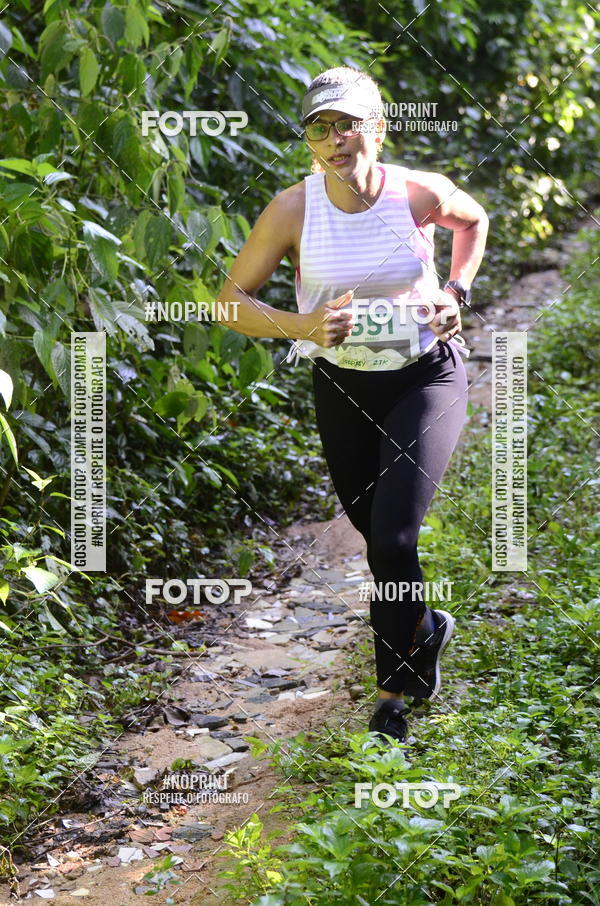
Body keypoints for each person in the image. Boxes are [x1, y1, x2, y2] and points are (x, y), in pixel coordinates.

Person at [216, 66, 488, 743]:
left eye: (348, 124)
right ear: (309, 141)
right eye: (319, 128)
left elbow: (474, 220)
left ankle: (391, 700)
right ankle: (426, 627)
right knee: (376, 537)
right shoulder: (293, 209)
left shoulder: (416, 193)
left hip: (425, 375)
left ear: (378, 127)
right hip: (342, 386)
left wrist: (455, 293)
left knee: (394, 539)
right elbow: (230, 302)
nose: (336, 139)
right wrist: (303, 326)